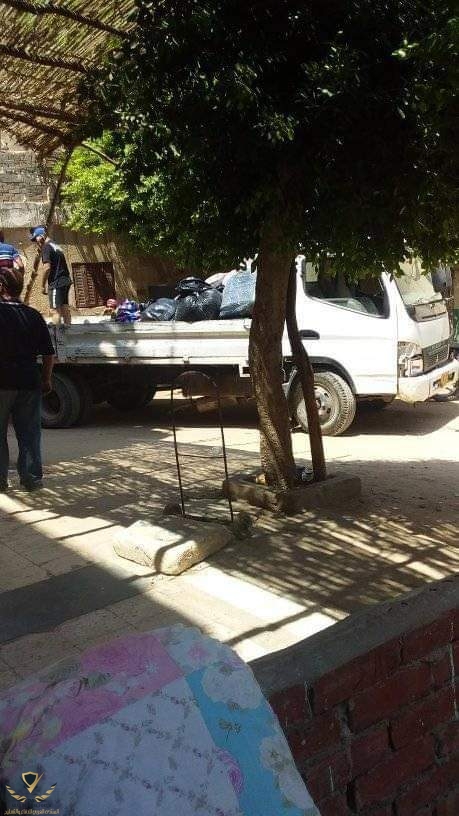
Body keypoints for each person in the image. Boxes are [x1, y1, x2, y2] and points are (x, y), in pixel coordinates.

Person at [0, 267, 55, 492]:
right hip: (29, 383)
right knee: (29, 434)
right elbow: (48, 353)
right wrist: (46, 379)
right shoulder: (33, 315)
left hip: (2, 383)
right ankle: (31, 478)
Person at [30, 226, 72, 325]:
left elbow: (47, 268)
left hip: (56, 282)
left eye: (36, 239)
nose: (36, 243)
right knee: (64, 307)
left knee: (54, 310)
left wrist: (42, 285)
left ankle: (57, 334)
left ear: (41, 236)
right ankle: (68, 331)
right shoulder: (55, 245)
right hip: (65, 280)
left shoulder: (46, 247)